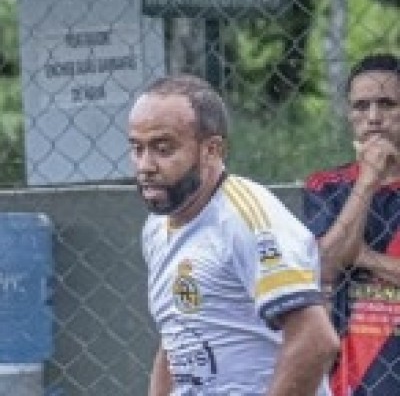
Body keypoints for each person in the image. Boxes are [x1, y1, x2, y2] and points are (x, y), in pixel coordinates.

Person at [128, 74, 339, 396]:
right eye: (137, 148)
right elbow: (176, 341)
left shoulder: (247, 219)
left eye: (163, 148)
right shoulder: (157, 227)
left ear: (211, 150)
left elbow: (315, 340)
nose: (145, 165)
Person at [303, 53, 400, 396]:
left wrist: (360, 255)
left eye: (387, 104)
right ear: (349, 114)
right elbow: (326, 266)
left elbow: (340, 253)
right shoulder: (326, 186)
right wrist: (368, 180)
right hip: (352, 377)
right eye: (361, 106)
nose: (373, 117)